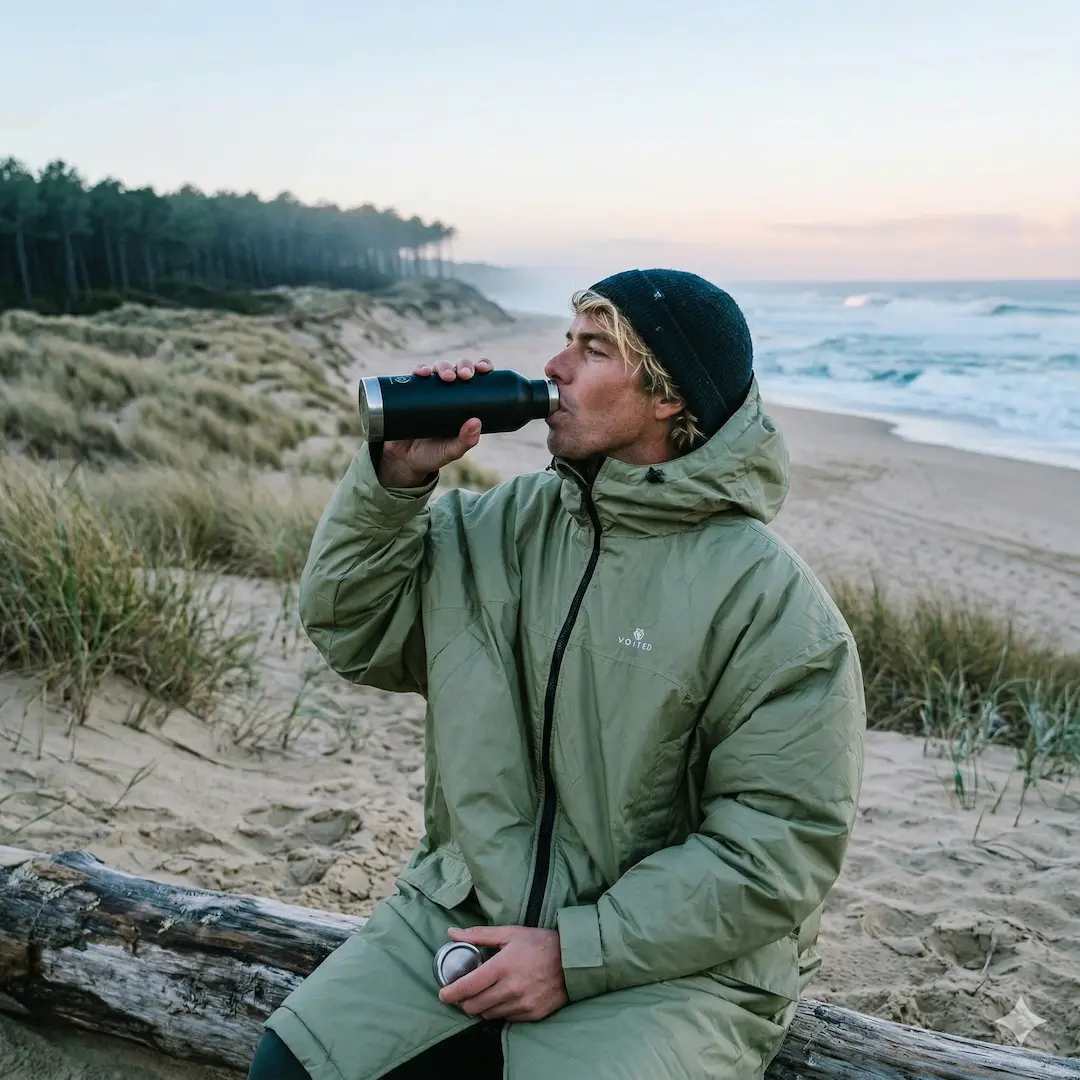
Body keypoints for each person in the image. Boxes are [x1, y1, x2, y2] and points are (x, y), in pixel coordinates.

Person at [248, 269, 866, 1080]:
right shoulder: (495, 527)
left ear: (668, 396)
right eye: (567, 340)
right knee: (292, 1066)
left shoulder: (772, 606)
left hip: (671, 968)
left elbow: (776, 848)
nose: (555, 366)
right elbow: (354, 632)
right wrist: (395, 480)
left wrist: (575, 954)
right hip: (467, 911)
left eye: (593, 350)